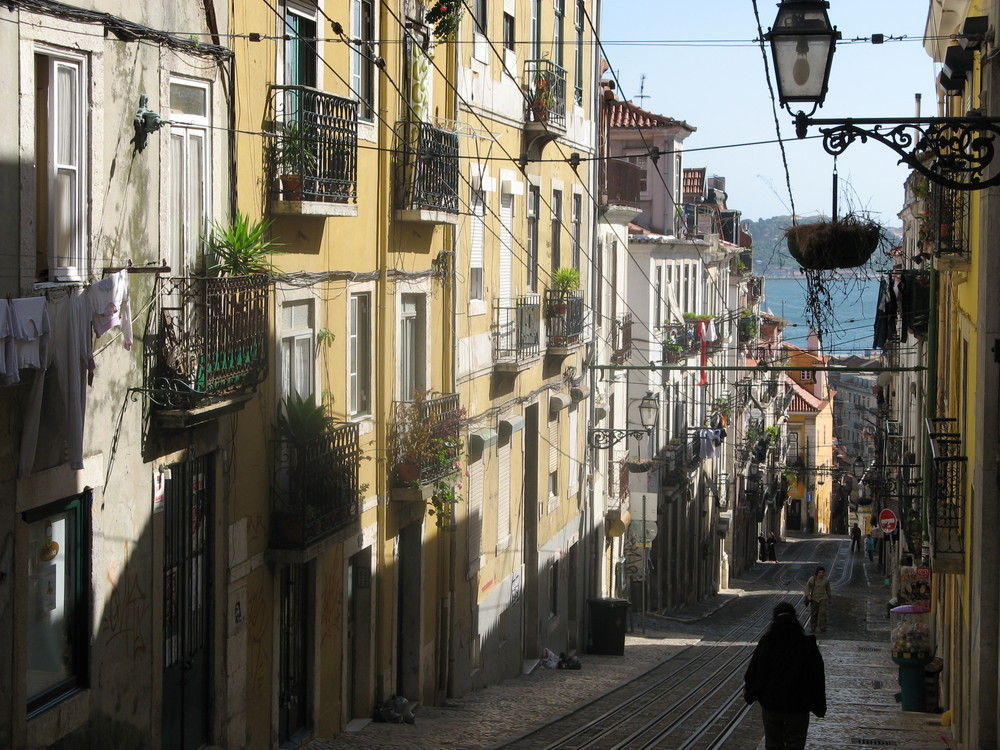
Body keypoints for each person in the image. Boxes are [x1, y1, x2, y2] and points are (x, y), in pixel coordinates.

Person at [744, 601, 827, 750]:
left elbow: (756, 671)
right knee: (795, 745)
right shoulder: (807, 645)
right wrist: (819, 706)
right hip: (798, 708)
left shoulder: (767, 642)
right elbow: (817, 678)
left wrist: (750, 692)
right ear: (795, 619)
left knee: (773, 744)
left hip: (772, 706)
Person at [804, 566, 832, 634]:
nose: (821, 574)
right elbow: (807, 587)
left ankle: (823, 627)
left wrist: (829, 598)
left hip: (823, 598)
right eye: (820, 572)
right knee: (814, 614)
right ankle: (813, 627)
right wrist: (808, 595)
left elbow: (828, 589)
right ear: (817, 572)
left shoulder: (826, 580)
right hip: (814, 599)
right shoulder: (812, 579)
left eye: (822, 572)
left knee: (823, 613)